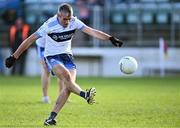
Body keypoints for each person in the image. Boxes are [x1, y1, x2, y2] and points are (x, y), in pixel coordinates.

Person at [5, 3, 123, 126]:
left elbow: (92, 31)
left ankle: (51, 118)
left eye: (69, 19)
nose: (67, 22)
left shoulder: (74, 21)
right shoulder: (49, 25)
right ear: (58, 16)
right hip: (52, 57)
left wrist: (110, 38)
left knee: (68, 86)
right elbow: (29, 40)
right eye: (64, 19)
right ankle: (85, 95)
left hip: (68, 57)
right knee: (67, 78)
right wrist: (14, 57)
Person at [36, 37, 71, 103]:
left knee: (62, 70)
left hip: (57, 47)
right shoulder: (47, 27)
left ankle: (62, 96)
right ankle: (45, 97)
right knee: (46, 69)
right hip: (43, 46)